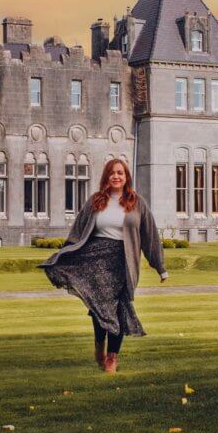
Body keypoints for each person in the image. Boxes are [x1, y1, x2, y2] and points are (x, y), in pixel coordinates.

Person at [40, 158, 168, 372]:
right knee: (99, 308)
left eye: (120, 173)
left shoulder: (137, 203)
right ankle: (100, 347)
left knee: (117, 309)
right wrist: (66, 253)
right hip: (95, 259)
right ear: (106, 176)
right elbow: (78, 231)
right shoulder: (95, 201)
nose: (116, 176)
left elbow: (150, 236)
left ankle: (112, 358)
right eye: (112, 173)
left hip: (123, 261)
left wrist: (160, 266)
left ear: (126, 177)